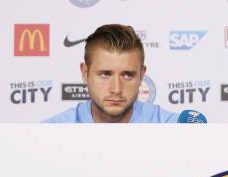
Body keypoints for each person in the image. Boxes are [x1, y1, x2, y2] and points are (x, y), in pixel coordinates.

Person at [45, 24, 177, 123]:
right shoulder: (48, 133)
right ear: (85, 73)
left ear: (142, 75)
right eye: (105, 74)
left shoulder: (175, 127)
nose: (116, 89)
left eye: (127, 75)